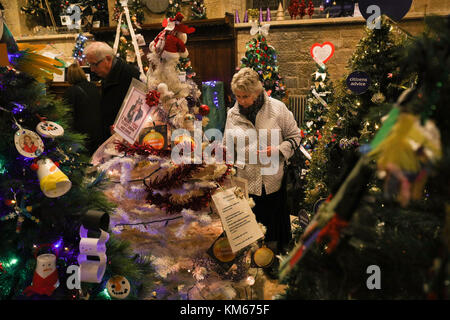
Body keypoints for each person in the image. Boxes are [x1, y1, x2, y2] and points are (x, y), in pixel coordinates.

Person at [223, 67, 301, 257]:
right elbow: (227, 145)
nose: (240, 101)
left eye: (245, 96)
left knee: (273, 224)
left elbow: (295, 136)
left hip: (272, 177)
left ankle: (271, 259)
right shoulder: (232, 114)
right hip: (245, 180)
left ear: (256, 92)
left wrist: (277, 151)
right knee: (250, 225)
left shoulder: (277, 108)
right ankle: (253, 260)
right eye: (237, 96)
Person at [84, 41, 140, 141]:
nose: (92, 69)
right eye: (90, 64)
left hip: (124, 141)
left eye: (94, 64)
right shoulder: (110, 74)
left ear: (108, 59)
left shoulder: (130, 76)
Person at [63, 62, 103, 154]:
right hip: (97, 131)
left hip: (81, 133)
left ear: (70, 76)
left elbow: (67, 114)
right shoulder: (94, 86)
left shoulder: (71, 91)